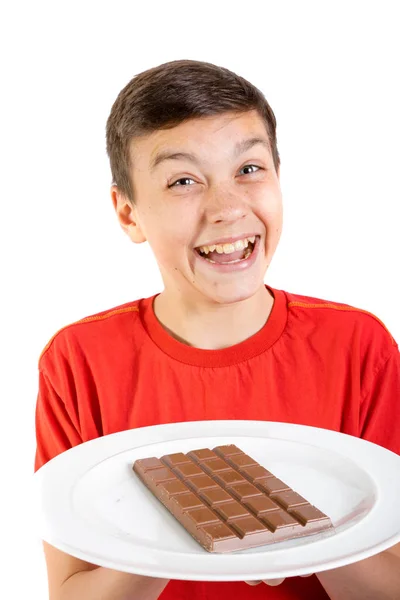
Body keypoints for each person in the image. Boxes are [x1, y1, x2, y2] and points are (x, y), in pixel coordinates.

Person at [34, 59, 400, 600]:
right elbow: (71, 593)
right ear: (128, 212)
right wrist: (181, 515)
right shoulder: (79, 360)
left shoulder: (358, 345)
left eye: (249, 169)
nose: (227, 208)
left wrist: (302, 535)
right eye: (183, 180)